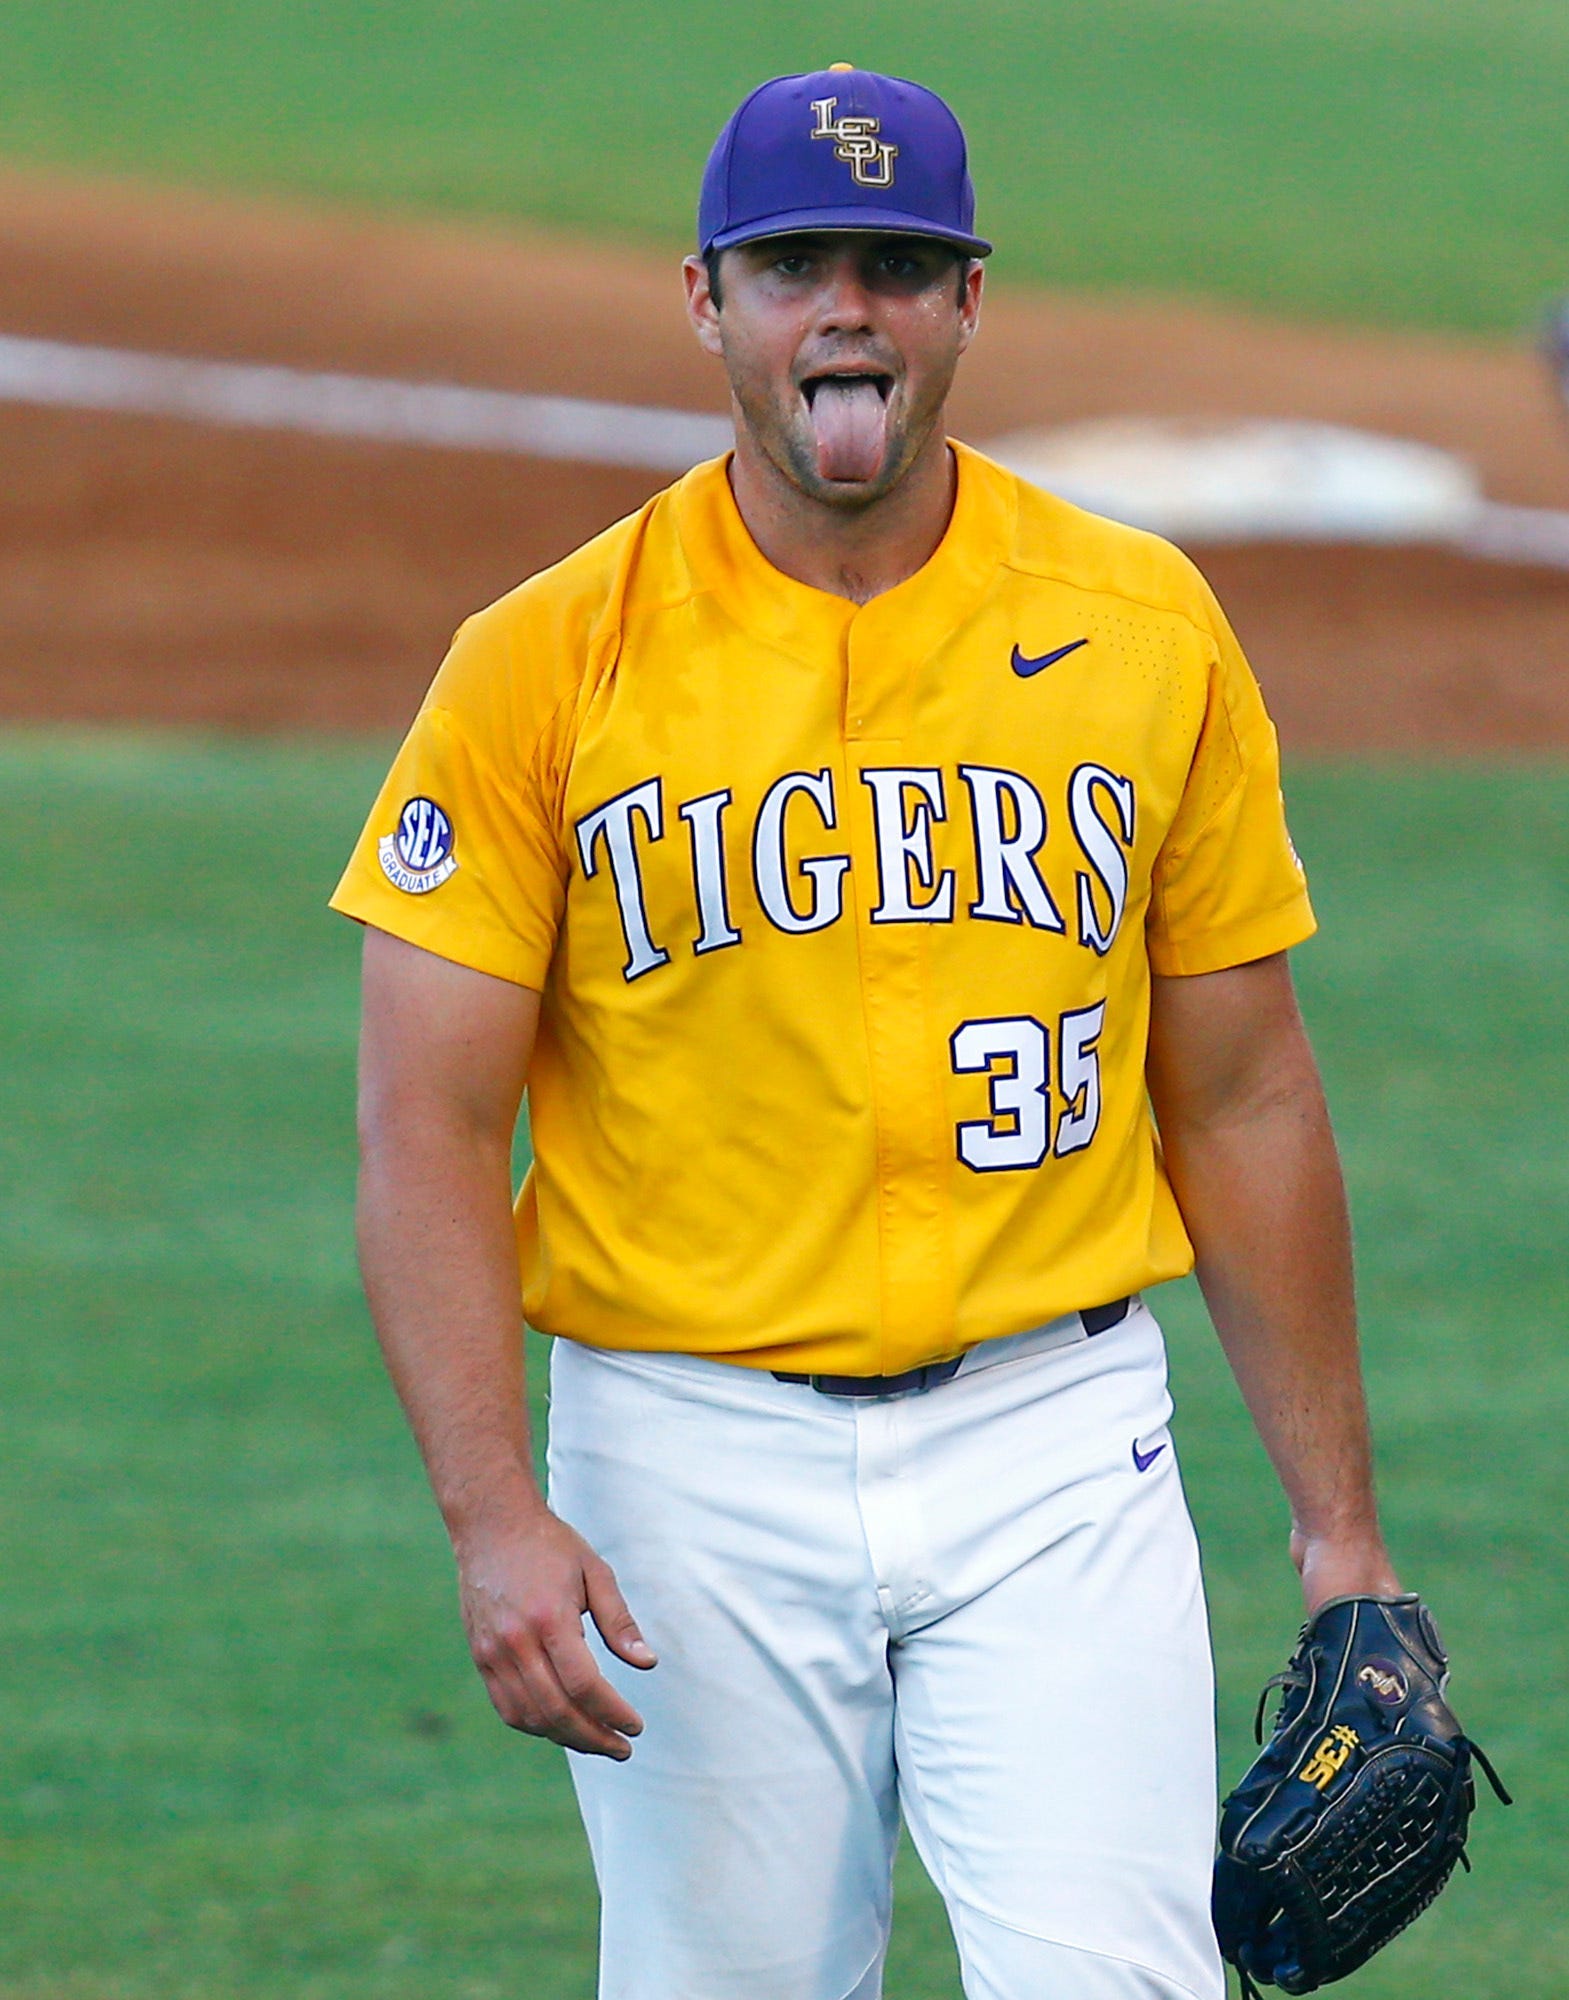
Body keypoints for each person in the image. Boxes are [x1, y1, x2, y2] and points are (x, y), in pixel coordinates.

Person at [332, 64, 1402, 2000]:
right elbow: (422, 1122)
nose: (848, 305)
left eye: (900, 264)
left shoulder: (1137, 623)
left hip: (1056, 1440)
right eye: (793, 264)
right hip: (682, 1460)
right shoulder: (543, 657)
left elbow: (1240, 1088)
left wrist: (1340, 1534)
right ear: (705, 300)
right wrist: (497, 1517)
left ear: (968, 304)